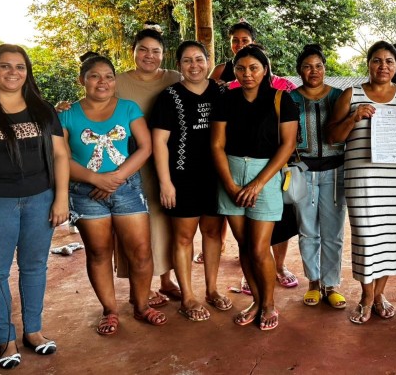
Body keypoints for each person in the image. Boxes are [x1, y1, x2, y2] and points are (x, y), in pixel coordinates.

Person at [61, 55, 167, 335]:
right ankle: (109, 310)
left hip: (128, 188)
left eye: (108, 76)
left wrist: (116, 179)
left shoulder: (128, 108)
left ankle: (142, 305)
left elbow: (145, 147)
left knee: (141, 252)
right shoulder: (67, 114)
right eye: (95, 76)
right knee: (98, 252)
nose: (103, 82)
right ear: (81, 80)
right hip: (84, 192)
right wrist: (97, 179)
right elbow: (60, 157)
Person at [0, 45, 69, 370]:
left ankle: (33, 331)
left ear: (27, 72)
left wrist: (61, 198)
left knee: (34, 267)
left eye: (20, 67)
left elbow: (60, 155)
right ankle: (6, 340)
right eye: (5, 66)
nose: (13, 72)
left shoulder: (41, 108)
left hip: (40, 200)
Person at [327, 41, 396, 324]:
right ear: (368, 64)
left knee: (390, 239)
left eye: (389, 61)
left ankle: (379, 295)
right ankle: (366, 296)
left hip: (395, 179)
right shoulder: (351, 94)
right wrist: (355, 117)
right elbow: (333, 136)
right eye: (377, 60)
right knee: (367, 238)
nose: (383, 66)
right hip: (363, 179)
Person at [211, 44, 297, 331]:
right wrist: (229, 184)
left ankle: (270, 304)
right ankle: (257, 301)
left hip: (266, 175)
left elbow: (287, 146)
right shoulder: (226, 99)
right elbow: (217, 144)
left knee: (260, 249)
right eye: (240, 68)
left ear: (265, 70)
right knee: (245, 246)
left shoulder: (281, 100)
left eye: (254, 68)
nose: (247, 74)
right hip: (230, 174)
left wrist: (258, 183)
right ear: (234, 71)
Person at [149, 41, 230, 322]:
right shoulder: (169, 96)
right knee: (183, 238)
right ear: (179, 65)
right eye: (187, 61)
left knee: (212, 234)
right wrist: (165, 182)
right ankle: (188, 296)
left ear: (209, 61)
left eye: (199, 59)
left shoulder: (222, 92)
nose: (194, 65)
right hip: (182, 177)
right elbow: (159, 141)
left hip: (217, 176)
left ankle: (212, 289)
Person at [113, 26, 183, 306]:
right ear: (133, 51)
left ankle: (166, 280)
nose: (149, 56)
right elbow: (95, 105)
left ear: (163, 55)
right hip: (129, 163)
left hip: (166, 163)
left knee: (166, 221)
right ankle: (139, 287)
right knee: (135, 225)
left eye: (156, 51)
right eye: (143, 49)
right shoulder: (118, 81)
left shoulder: (174, 78)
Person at [289, 44, 348, 309]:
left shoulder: (339, 96)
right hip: (303, 170)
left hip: (336, 171)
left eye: (319, 66)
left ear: (325, 68)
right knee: (307, 229)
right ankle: (313, 282)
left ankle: (331, 283)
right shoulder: (288, 99)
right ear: (299, 70)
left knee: (333, 231)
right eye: (307, 66)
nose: (314, 71)